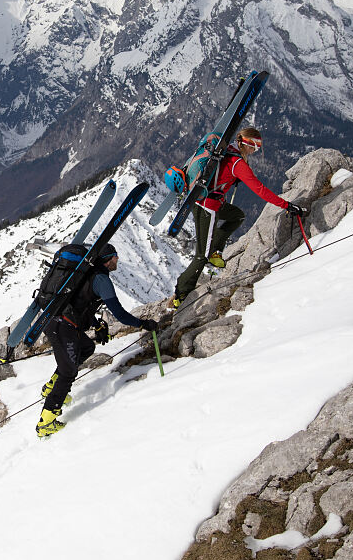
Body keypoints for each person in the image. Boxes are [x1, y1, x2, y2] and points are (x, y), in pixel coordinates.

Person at [172, 127, 306, 307]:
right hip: (208, 207)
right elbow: (260, 190)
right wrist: (286, 205)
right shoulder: (238, 164)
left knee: (237, 216)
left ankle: (214, 251)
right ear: (247, 143)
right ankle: (180, 294)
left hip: (209, 201)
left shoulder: (229, 150)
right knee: (201, 256)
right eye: (255, 146)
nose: (256, 150)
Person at [37, 244, 159, 437]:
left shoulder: (87, 273)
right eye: (115, 257)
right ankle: (46, 420)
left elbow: (81, 304)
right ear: (107, 259)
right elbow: (119, 313)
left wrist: (96, 324)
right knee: (69, 371)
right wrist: (143, 324)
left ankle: (53, 385)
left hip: (58, 322)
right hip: (62, 326)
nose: (118, 260)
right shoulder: (101, 279)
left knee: (86, 348)